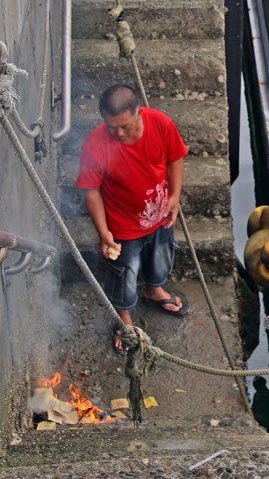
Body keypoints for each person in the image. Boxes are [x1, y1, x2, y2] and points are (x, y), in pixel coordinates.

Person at [76, 83, 189, 355]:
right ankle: (123, 319)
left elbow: (175, 158)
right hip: (123, 225)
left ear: (139, 112)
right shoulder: (97, 143)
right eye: (111, 127)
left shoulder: (160, 123)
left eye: (124, 126)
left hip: (159, 214)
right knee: (123, 273)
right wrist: (104, 232)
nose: (118, 133)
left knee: (161, 257)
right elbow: (91, 192)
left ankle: (154, 289)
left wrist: (174, 196)